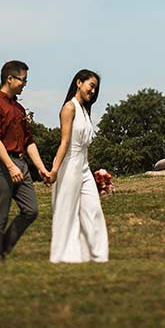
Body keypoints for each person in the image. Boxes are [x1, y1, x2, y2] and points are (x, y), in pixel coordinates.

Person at [0, 59, 52, 263]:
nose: (24, 84)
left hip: (21, 164)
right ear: (10, 79)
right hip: (2, 164)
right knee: (0, 215)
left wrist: (41, 168)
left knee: (31, 210)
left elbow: (29, 141)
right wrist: (10, 166)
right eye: (23, 80)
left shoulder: (19, 109)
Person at [48, 68, 109, 263]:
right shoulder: (69, 108)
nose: (93, 91)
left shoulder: (84, 110)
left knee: (93, 209)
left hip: (84, 166)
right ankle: (63, 256)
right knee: (66, 211)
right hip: (69, 165)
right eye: (91, 86)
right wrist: (54, 171)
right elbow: (64, 142)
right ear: (79, 83)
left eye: (95, 89)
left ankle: (98, 256)